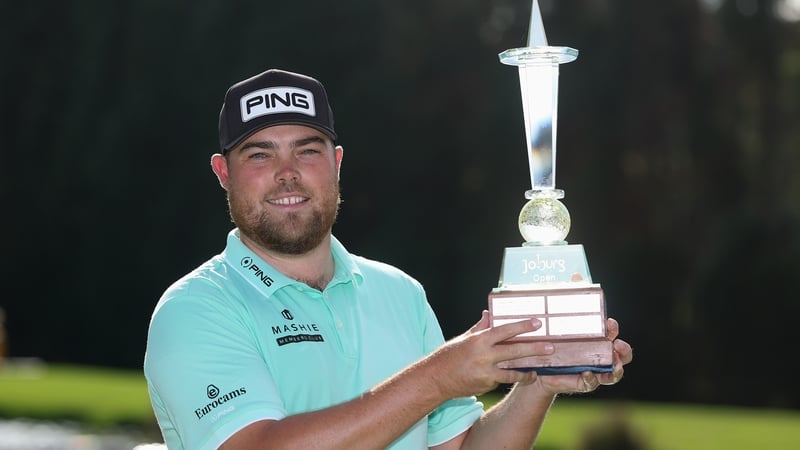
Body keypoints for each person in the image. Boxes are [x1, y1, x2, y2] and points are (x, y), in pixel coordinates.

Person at [143, 68, 633, 450]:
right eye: (260, 156)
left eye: (307, 152)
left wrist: (537, 376)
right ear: (223, 172)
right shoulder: (195, 309)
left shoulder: (399, 293)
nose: (287, 174)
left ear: (336, 164)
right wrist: (438, 376)